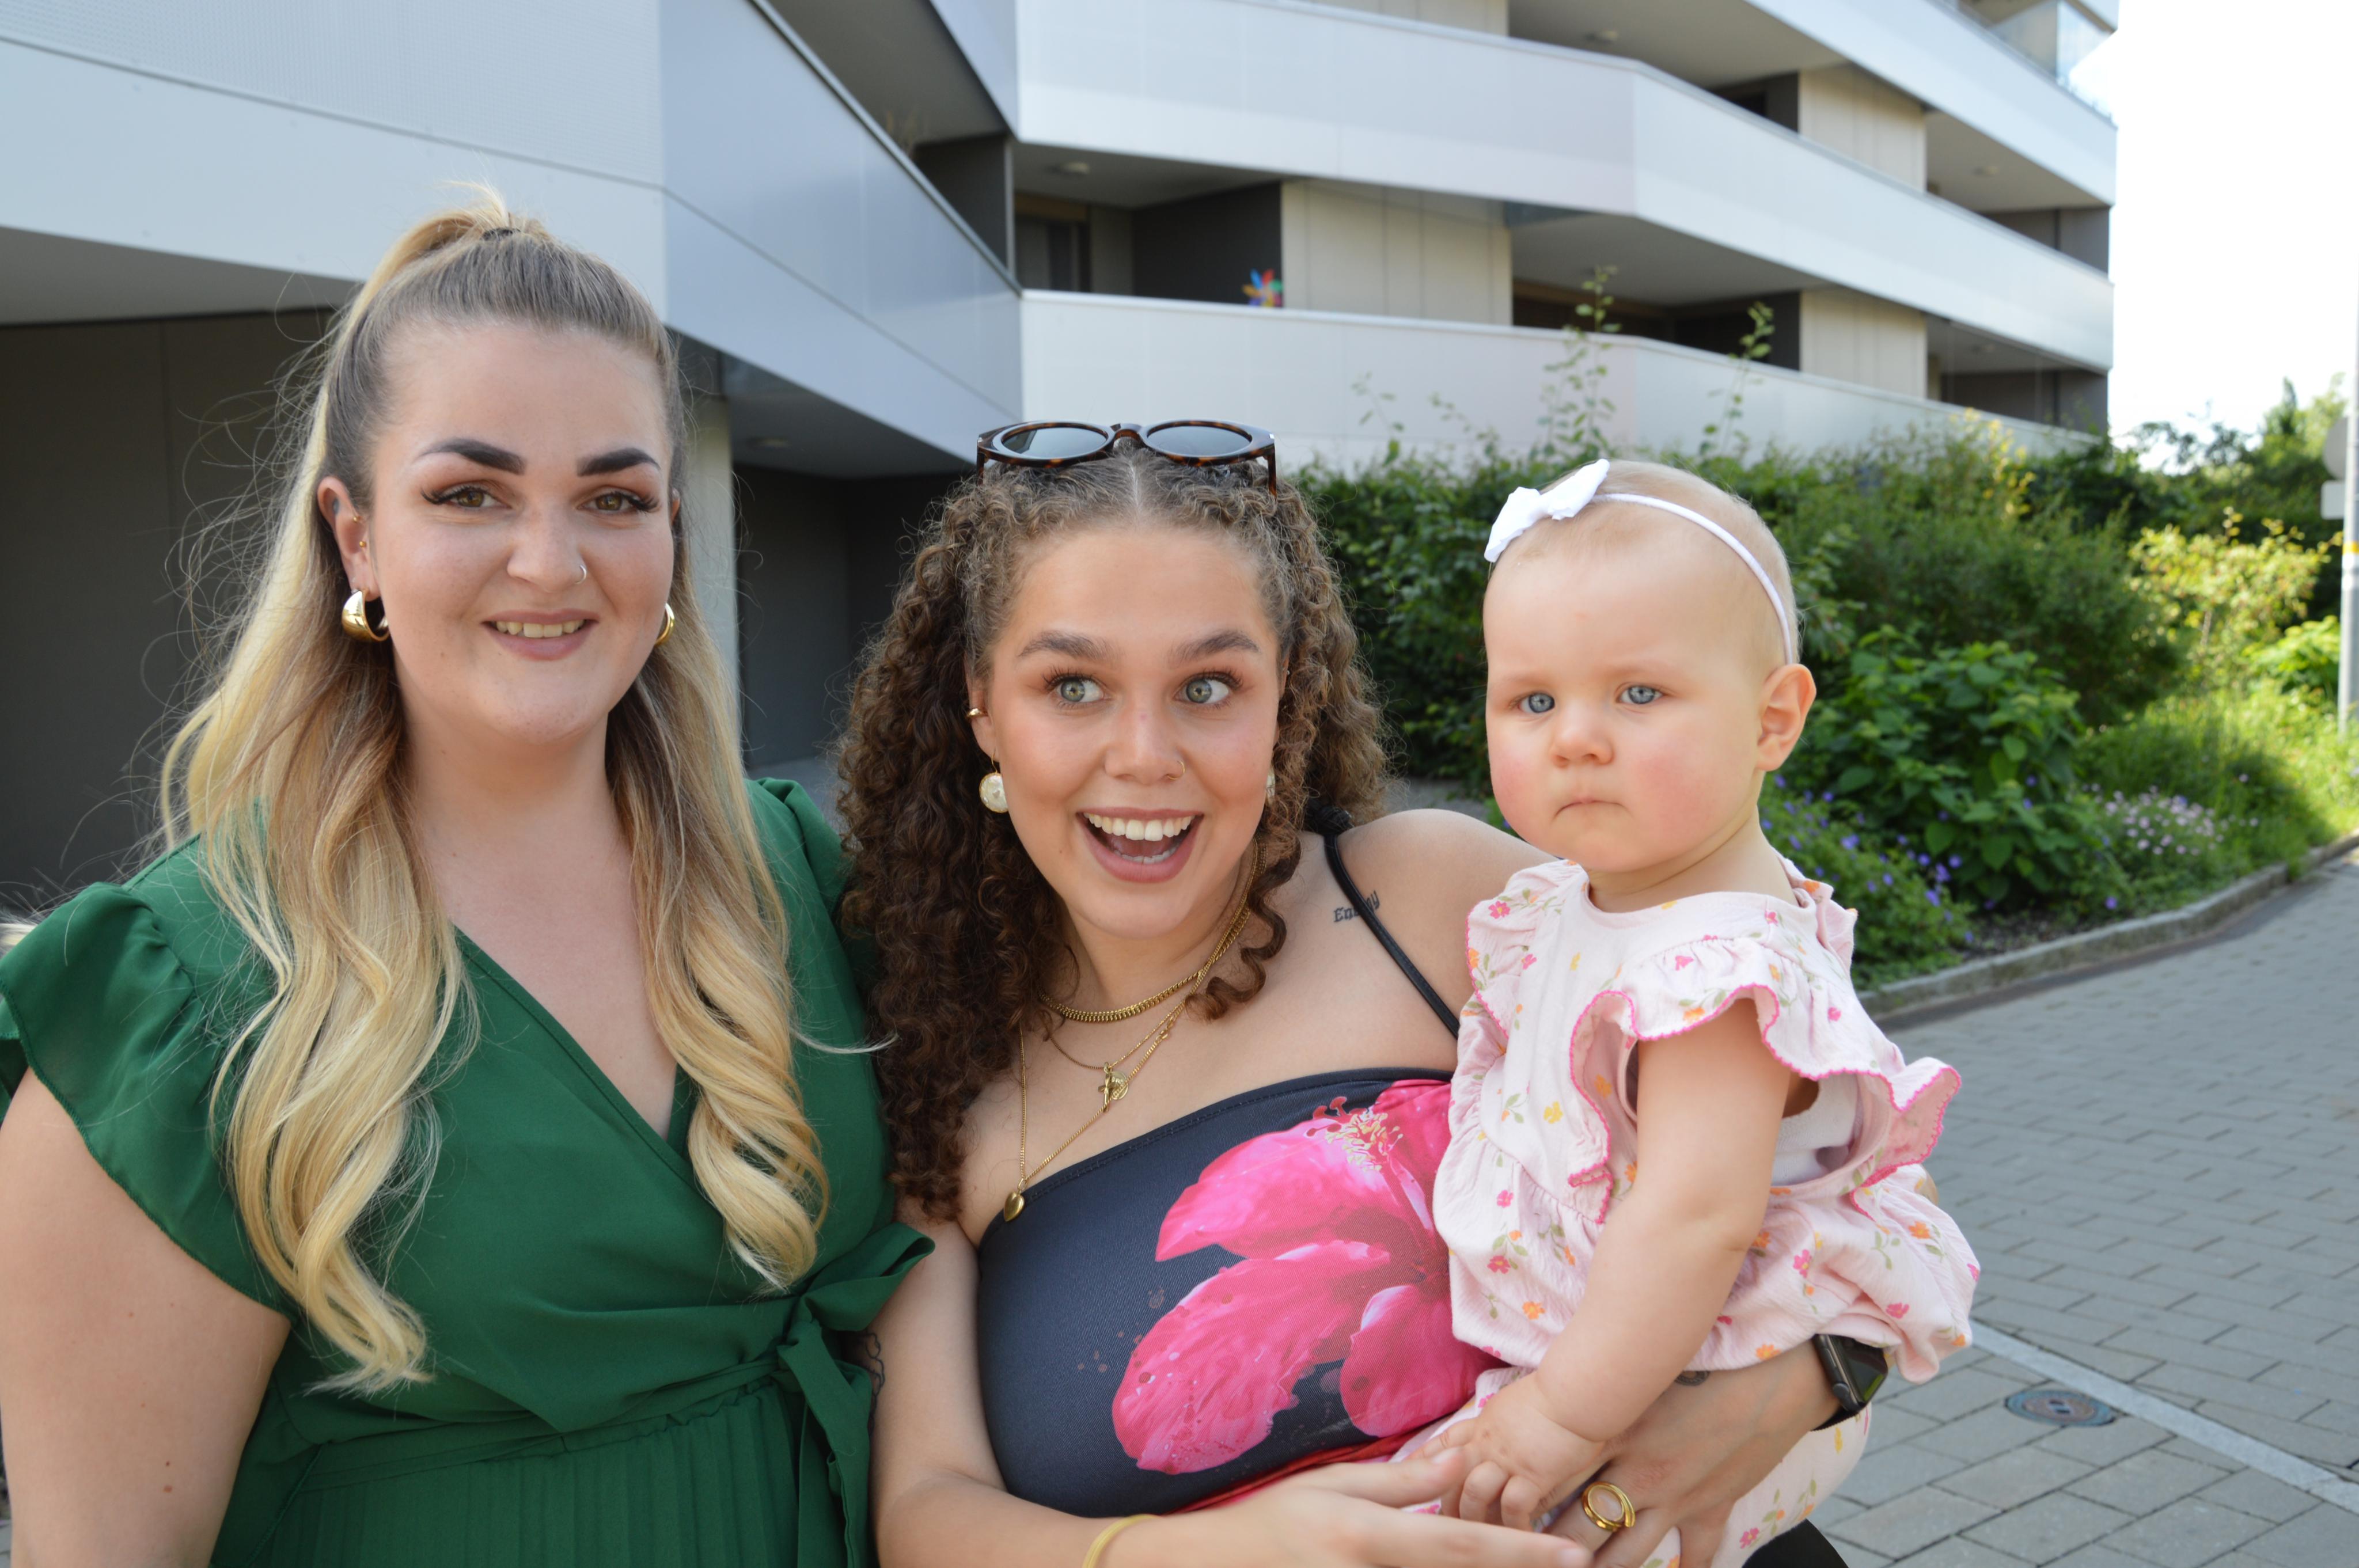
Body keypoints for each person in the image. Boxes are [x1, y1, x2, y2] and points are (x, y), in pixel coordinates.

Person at [0, 198, 923, 1567]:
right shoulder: (178, 997)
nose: (549, 563)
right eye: (469, 495)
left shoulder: (794, 875)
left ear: (671, 535)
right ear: (355, 536)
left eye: (612, 499)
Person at [848, 427, 1872, 1568]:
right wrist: (1219, 1556)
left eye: (1207, 687)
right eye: (1072, 686)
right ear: (983, 706)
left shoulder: (1442, 903)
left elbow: (1833, 1182)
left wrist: (1808, 1382)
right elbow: (924, 1513)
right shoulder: (944, 1087)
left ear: (1285, 698)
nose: (1143, 755)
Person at [1420, 460, 1978, 1561]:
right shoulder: (1585, 905)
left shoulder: (1713, 972)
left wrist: (1562, 1417)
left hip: (1678, 1384)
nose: (1575, 738)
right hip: (1623, 1365)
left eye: (1638, 694)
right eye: (1534, 700)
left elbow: (1694, 1218)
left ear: (1773, 721)